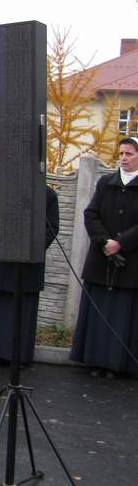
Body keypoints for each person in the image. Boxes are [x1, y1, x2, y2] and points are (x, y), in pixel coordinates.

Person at [70, 137, 138, 378]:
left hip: (130, 264)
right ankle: (94, 361)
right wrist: (104, 241)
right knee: (99, 313)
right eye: (121, 153)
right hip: (101, 260)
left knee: (122, 316)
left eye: (129, 154)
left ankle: (117, 365)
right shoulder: (106, 182)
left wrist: (122, 242)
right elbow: (91, 214)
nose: (124, 158)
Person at [0, 183, 59, 367]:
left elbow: (51, 228)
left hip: (29, 265)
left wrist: (29, 248)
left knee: (23, 313)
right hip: (2, 262)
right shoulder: (3, 190)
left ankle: (20, 355)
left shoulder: (47, 195)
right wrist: (2, 246)